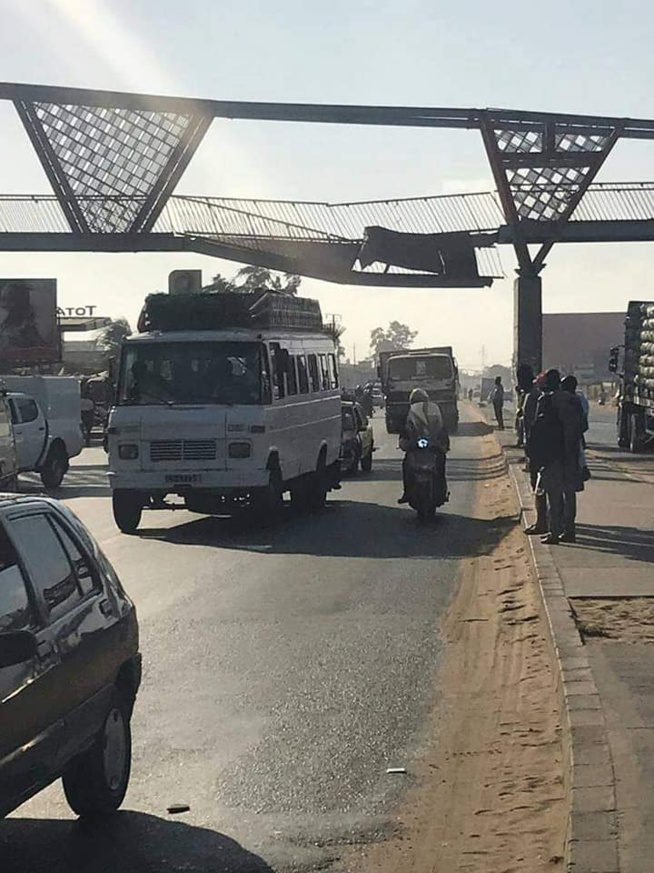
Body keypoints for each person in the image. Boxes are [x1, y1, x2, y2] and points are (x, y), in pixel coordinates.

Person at [530, 369, 584, 544]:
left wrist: (536, 457)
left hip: (553, 454)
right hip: (572, 452)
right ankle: (570, 530)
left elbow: (537, 429)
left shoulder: (545, 401)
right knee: (569, 494)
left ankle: (554, 532)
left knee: (553, 494)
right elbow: (583, 426)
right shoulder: (574, 400)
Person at [398, 387, 449, 504]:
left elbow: (442, 426)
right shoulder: (408, 413)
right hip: (415, 444)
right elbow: (403, 429)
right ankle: (407, 492)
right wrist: (404, 439)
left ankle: (442, 491)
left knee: (440, 462)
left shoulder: (434, 412)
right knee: (406, 464)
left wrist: (443, 440)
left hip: (433, 444)